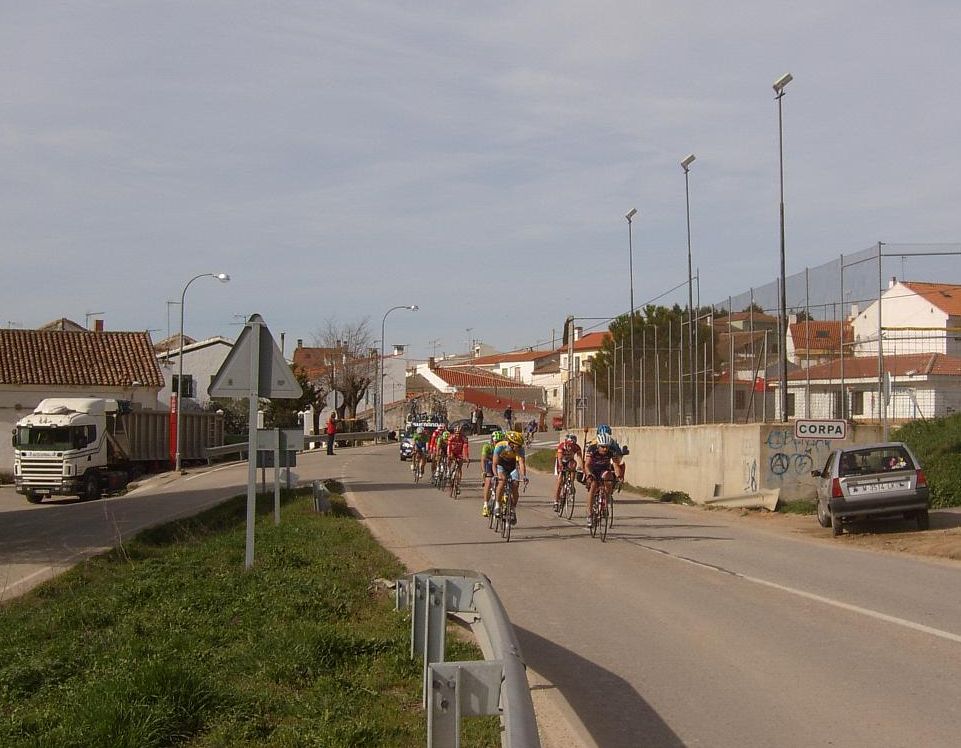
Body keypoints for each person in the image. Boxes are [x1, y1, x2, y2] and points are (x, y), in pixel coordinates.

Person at [583, 432, 624, 528]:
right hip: (593, 470)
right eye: (603, 447)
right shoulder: (592, 449)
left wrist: (619, 476)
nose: (605, 449)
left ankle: (606, 498)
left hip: (604, 469)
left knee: (609, 477)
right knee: (593, 486)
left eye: (607, 447)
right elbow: (587, 464)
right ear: (598, 445)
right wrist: (589, 474)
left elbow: (615, 465)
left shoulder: (611, 451)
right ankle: (589, 514)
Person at [492, 430, 528, 524]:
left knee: (515, 485)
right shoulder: (500, 446)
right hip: (501, 465)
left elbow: (521, 463)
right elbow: (494, 463)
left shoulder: (520, 450)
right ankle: (497, 505)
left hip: (512, 467)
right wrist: (496, 475)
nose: (519, 448)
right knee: (502, 481)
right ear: (511, 444)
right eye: (517, 446)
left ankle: (513, 509)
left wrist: (524, 476)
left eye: (520, 446)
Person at [553, 433, 584, 511]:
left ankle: (571, 483)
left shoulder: (576, 447)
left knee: (574, 465)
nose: (570, 447)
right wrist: (561, 467)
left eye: (572, 445)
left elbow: (579, 458)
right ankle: (556, 501)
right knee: (560, 481)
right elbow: (559, 459)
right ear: (566, 443)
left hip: (570, 461)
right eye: (569, 445)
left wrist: (581, 468)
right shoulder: (561, 446)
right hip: (561, 462)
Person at [446, 424, 471, 494]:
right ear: (454, 432)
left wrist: (466, 457)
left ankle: (458, 484)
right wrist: (449, 455)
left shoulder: (464, 439)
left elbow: (465, 449)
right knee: (449, 458)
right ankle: (448, 470)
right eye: (457, 433)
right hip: (452, 452)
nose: (458, 435)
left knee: (459, 467)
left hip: (459, 453)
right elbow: (449, 447)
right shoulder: (451, 437)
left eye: (459, 433)